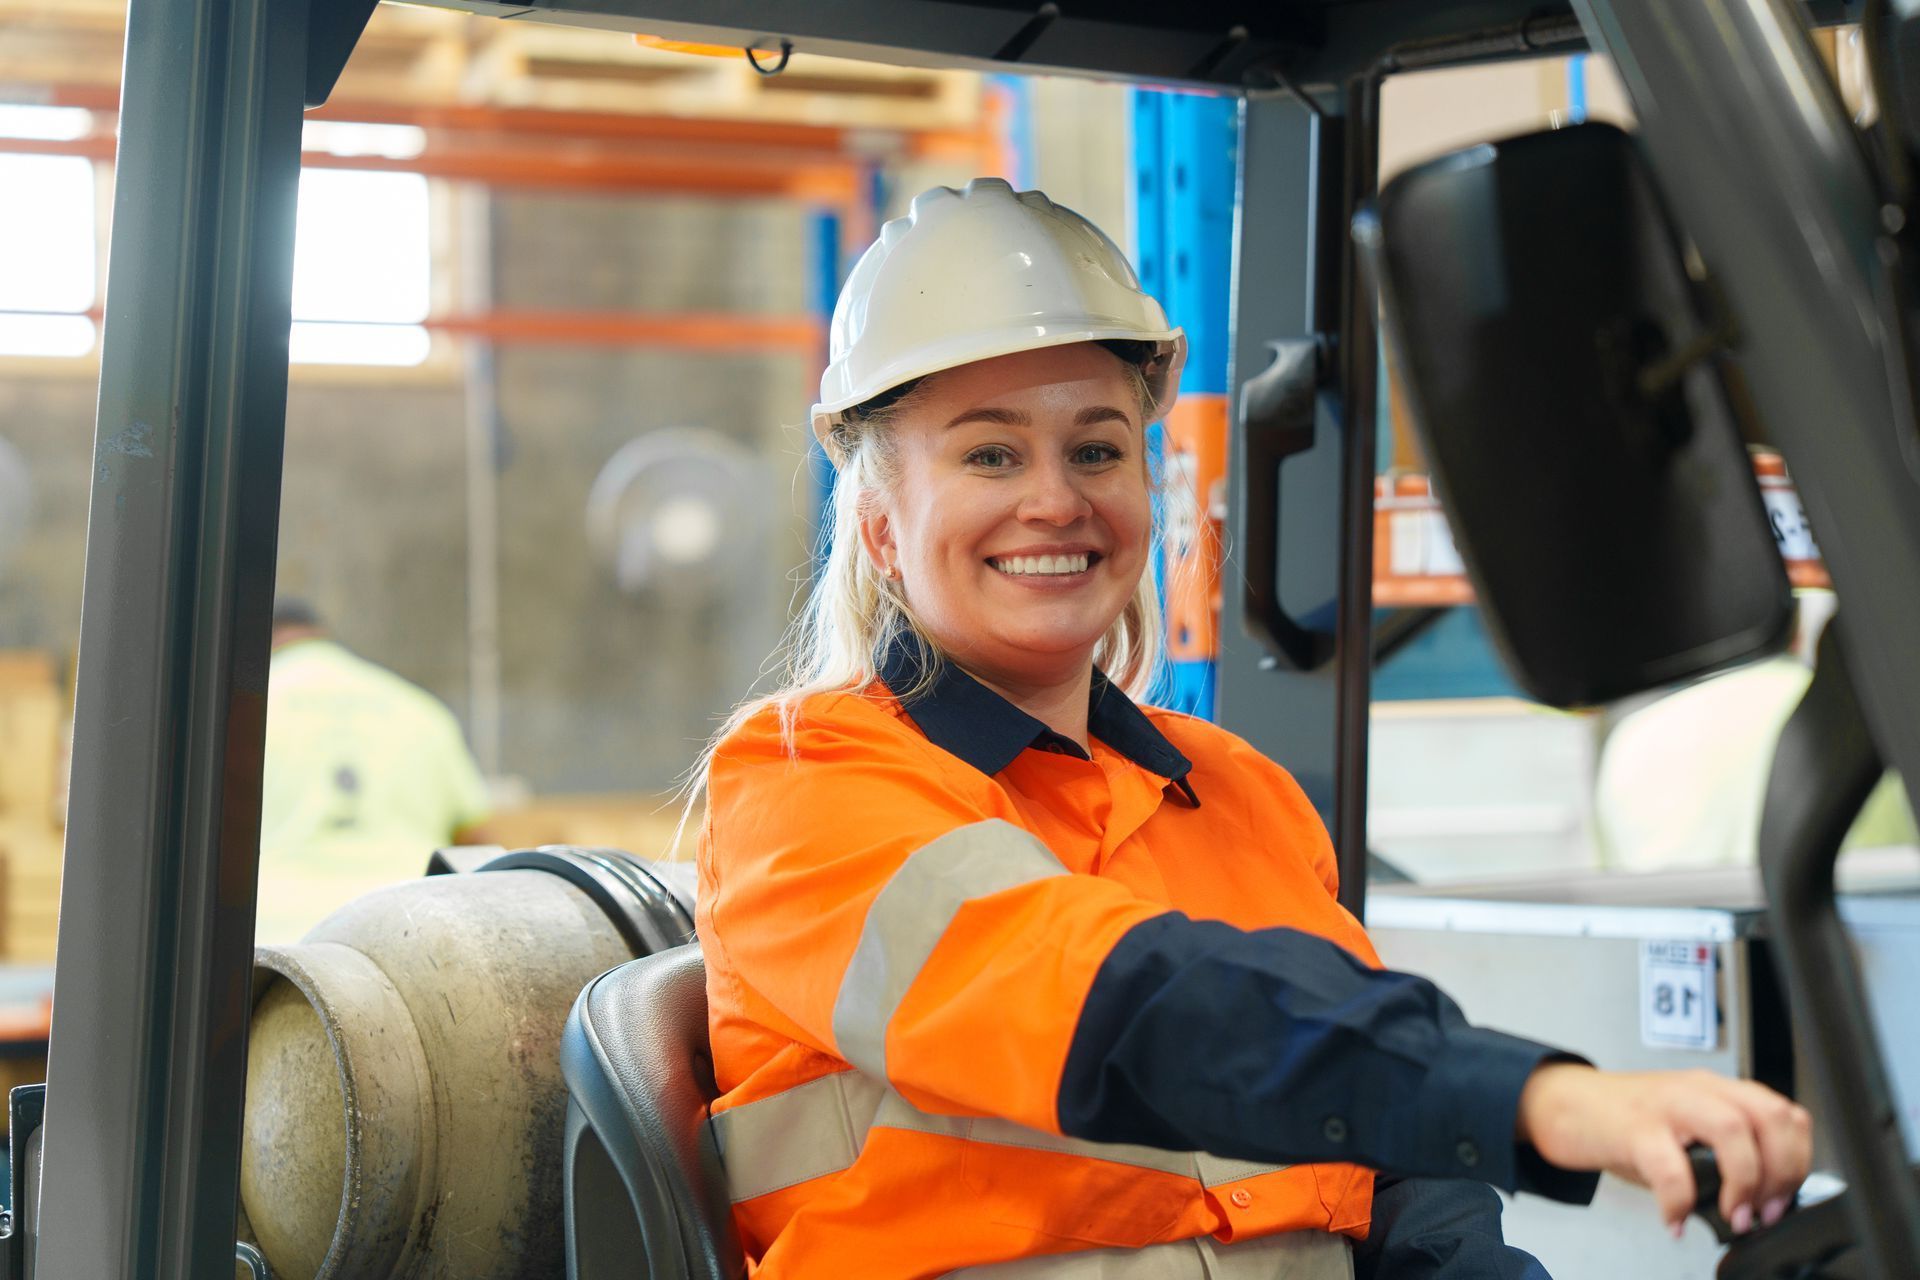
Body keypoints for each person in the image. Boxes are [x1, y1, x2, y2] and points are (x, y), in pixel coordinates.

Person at [692, 179, 1810, 1279]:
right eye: (990, 453)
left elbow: (1403, 1182)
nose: (1056, 501)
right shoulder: (804, 788)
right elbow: (1116, 1005)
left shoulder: (1240, 794)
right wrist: (1539, 1098)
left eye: (1097, 448)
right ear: (882, 524)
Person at [256, 599, 492, 941]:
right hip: (411, 929)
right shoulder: (417, 708)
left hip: (278, 941)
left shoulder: (244, 710)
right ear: (321, 636)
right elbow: (474, 838)